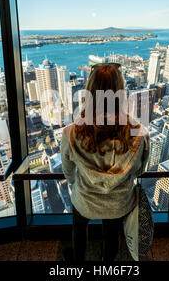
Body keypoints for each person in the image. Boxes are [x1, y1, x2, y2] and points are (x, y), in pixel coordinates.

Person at [61, 63, 150, 261]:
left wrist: (77, 182)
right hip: (118, 201)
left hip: (85, 198)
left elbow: (67, 171)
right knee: (111, 233)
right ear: (121, 91)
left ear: (89, 91)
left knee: (78, 226)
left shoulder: (71, 133)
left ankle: (77, 260)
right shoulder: (139, 133)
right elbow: (140, 170)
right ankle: (108, 263)